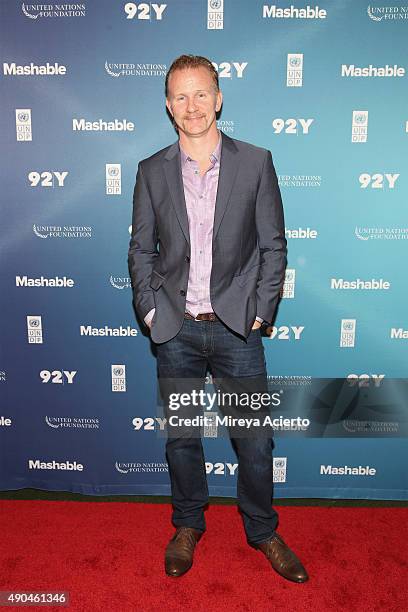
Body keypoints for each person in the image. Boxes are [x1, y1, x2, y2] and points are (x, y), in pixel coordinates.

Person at [128, 54, 308, 583]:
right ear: (168, 105)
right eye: (180, 96)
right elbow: (140, 251)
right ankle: (187, 524)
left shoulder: (255, 162)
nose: (192, 106)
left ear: (219, 97)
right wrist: (150, 308)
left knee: (254, 439)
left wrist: (262, 311)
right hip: (176, 330)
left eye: (201, 93)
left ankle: (263, 531)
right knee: (182, 436)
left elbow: (274, 245)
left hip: (237, 329)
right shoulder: (150, 171)